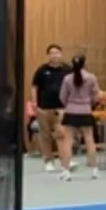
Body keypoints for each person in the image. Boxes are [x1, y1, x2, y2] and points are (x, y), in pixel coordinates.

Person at [58, 54, 100, 181]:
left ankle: (66, 171)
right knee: (89, 140)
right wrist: (89, 103)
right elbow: (96, 96)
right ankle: (94, 170)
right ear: (84, 64)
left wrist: (69, 104)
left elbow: (62, 96)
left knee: (68, 141)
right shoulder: (91, 77)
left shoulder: (67, 78)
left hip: (71, 111)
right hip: (85, 111)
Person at [30, 43, 70, 172]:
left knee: (62, 134)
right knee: (45, 135)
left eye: (57, 53)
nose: (55, 55)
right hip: (44, 108)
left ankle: (65, 160)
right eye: (52, 53)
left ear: (61, 54)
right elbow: (34, 87)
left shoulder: (67, 70)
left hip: (61, 108)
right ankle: (48, 161)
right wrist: (34, 103)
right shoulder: (42, 70)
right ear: (48, 55)